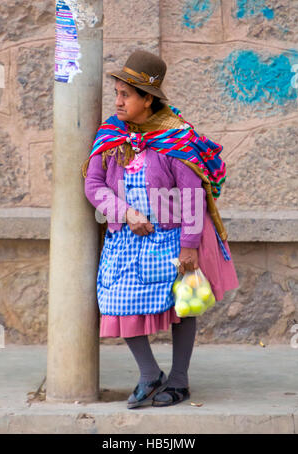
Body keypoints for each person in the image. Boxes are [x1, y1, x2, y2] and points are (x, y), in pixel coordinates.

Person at [83, 50, 239, 409]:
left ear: (147, 99)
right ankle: (150, 374)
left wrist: (189, 246)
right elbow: (94, 186)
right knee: (116, 303)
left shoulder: (176, 139)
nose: (118, 101)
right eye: (117, 93)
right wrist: (124, 211)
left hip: (170, 239)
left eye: (126, 94)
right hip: (125, 239)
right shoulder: (111, 135)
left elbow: (191, 197)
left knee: (182, 306)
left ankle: (180, 382)